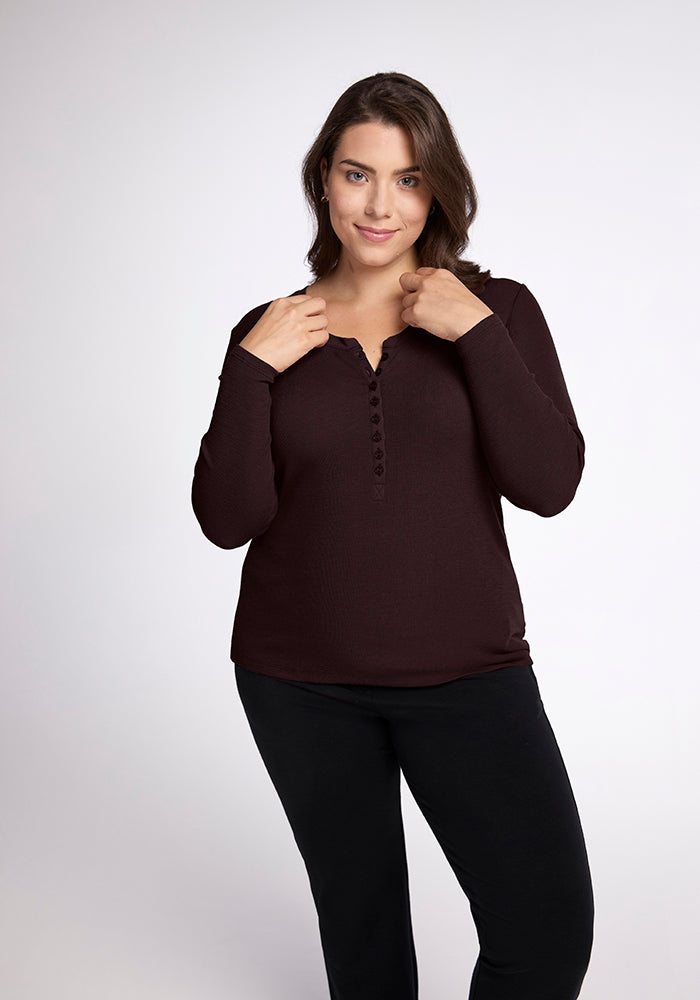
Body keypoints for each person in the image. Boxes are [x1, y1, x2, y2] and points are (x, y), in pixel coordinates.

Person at [191, 71, 594, 1000]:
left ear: (438, 189)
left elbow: (551, 485)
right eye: (357, 174)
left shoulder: (499, 310)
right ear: (322, 181)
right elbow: (227, 520)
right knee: (365, 947)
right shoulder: (268, 333)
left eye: (409, 179)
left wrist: (479, 333)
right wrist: (250, 373)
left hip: (469, 675)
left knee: (544, 933)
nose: (380, 204)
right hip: (298, 683)